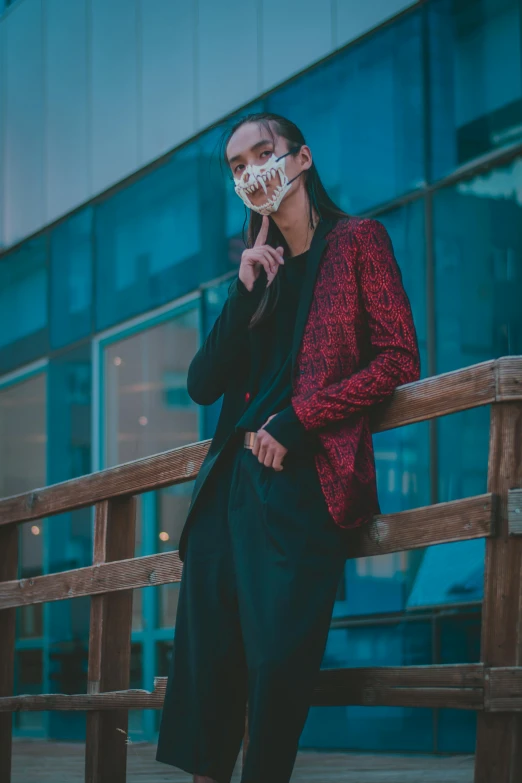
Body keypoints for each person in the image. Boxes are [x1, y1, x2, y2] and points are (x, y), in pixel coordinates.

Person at [156, 113, 420, 783]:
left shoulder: (358, 240)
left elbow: (398, 357)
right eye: (237, 166)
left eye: (261, 154)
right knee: (210, 672)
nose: (249, 173)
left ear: (300, 159)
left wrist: (302, 419)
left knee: (276, 669)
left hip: (300, 489)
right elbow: (201, 384)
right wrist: (241, 291)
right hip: (225, 499)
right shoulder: (257, 273)